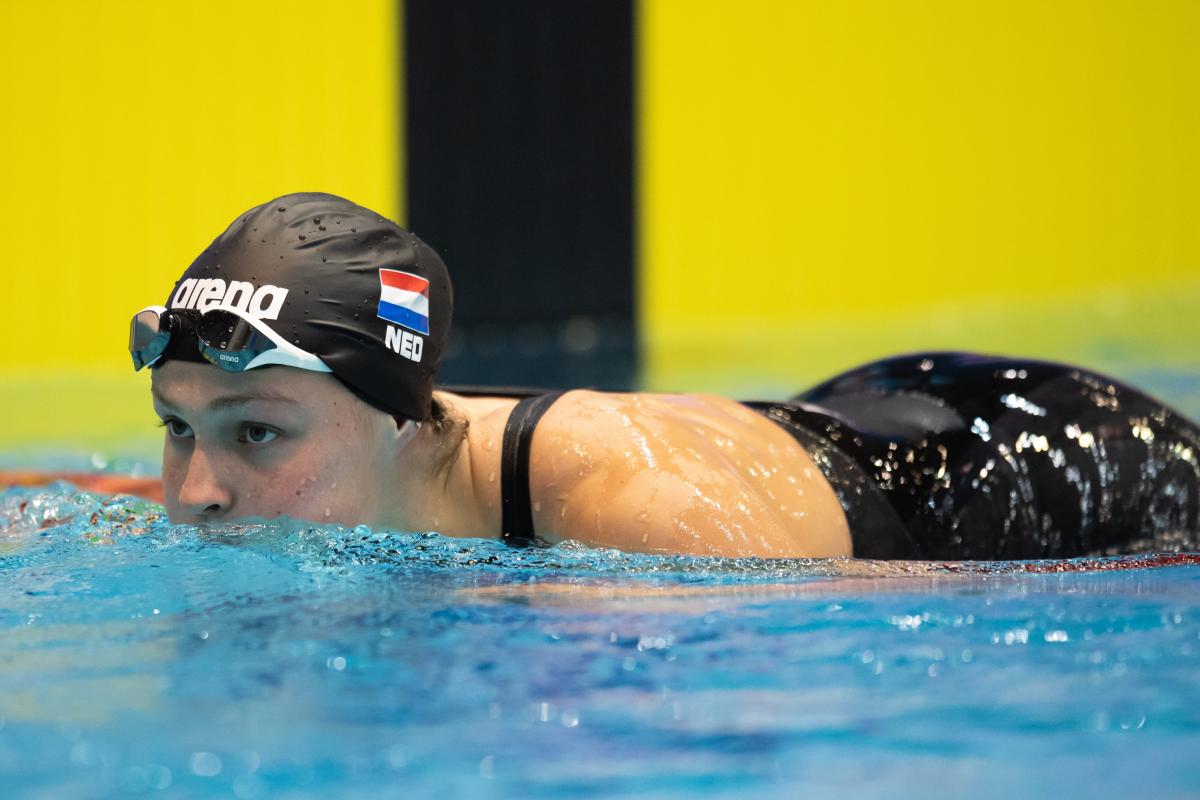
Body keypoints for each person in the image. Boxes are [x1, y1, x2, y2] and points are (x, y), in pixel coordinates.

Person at [127, 192, 1200, 560]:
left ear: (405, 421)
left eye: (255, 432)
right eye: (181, 428)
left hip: (1023, 468)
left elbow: (884, 633)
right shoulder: (365, 452)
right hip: (849, 413)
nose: (199, 489)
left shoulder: (629, 512)